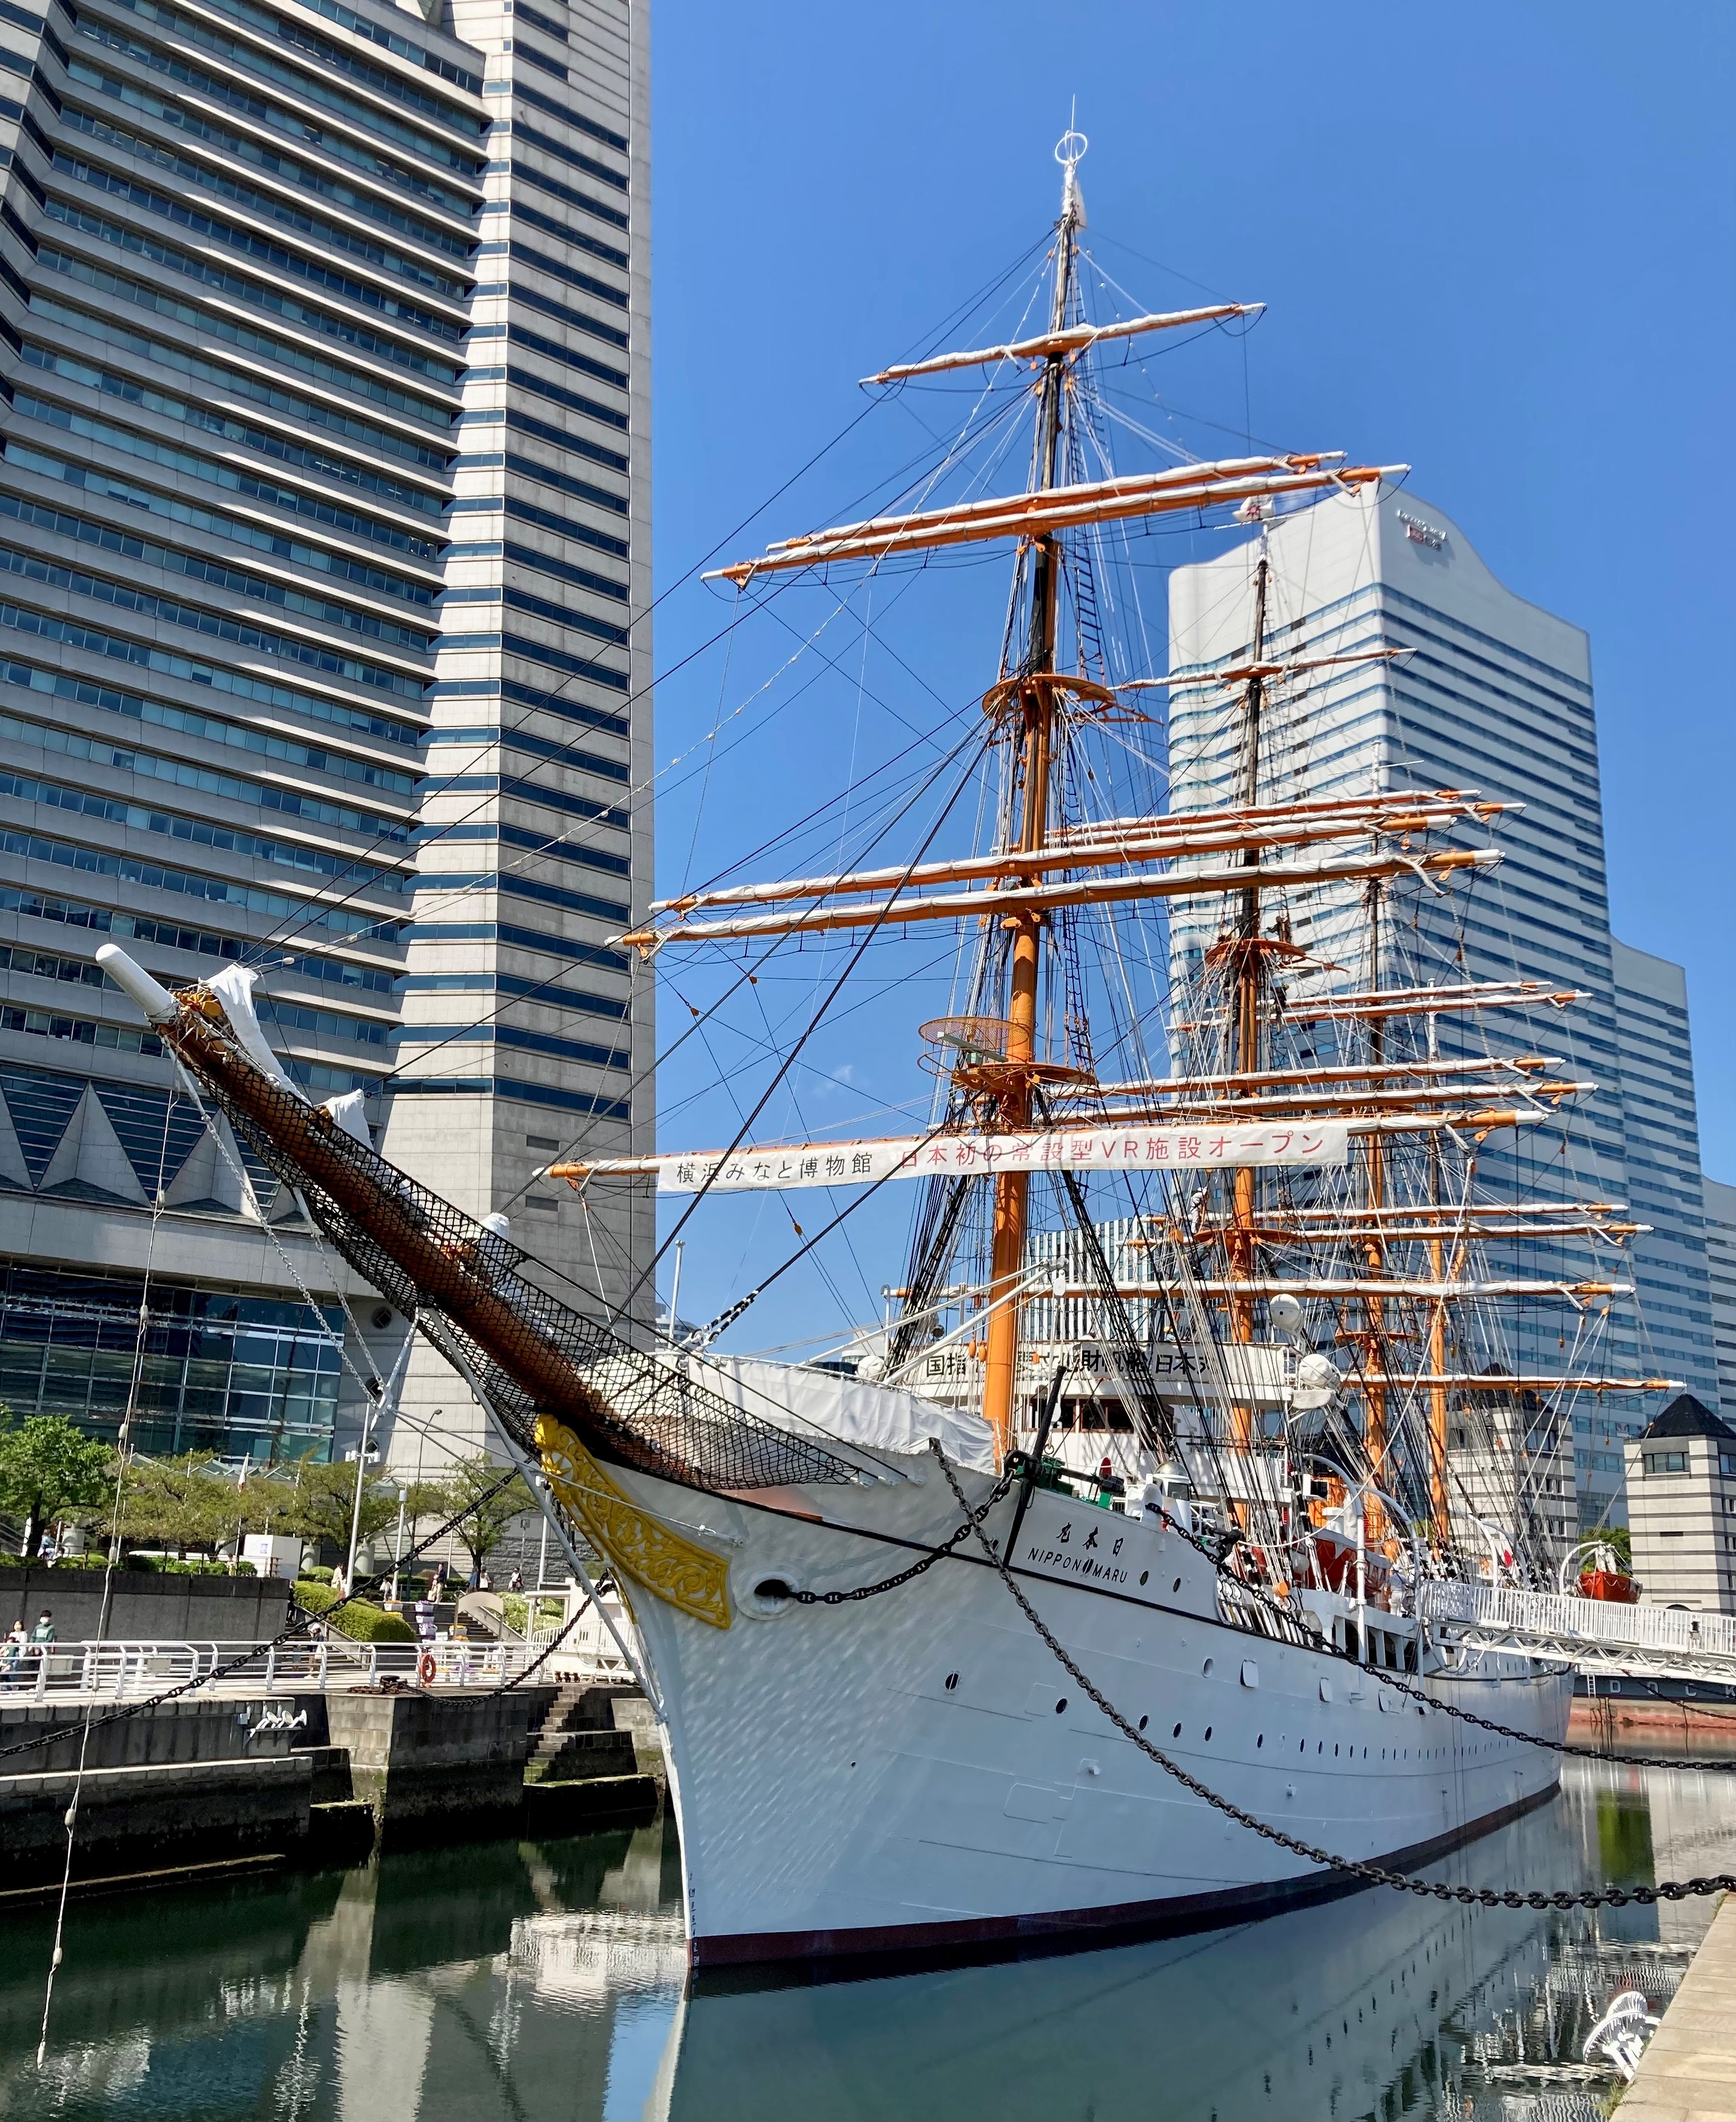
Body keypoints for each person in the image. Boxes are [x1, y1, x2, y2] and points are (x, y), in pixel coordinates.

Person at [1, 1621, 24, 1689]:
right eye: (16, 1624)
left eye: (19, 1624)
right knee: (6, 1675)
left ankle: (14, 1687)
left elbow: (23, 1645)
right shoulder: (12, 1634)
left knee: (12, 1672)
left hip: (17, 1654)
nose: (17, 1626)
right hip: (8, 1657)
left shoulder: (23, 1634)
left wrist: (21, 1656)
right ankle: (7, 1688)